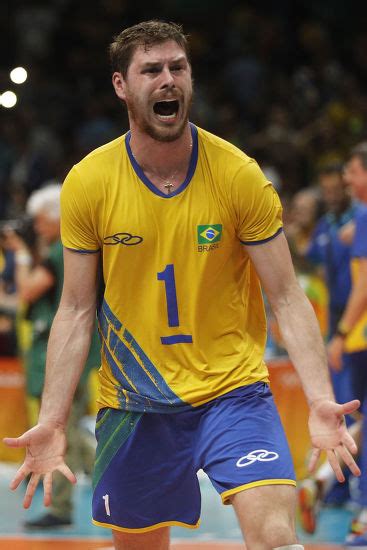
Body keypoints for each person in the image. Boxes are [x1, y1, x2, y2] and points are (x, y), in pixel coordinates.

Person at [3, 21, 361, 550]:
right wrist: (54, 420)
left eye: (178, 67)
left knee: (276, 537)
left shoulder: (238, 174)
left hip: (233, 392)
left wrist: (319, 399)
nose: (168, 80)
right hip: (134, 403)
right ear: (122, 85)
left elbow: (286, 295)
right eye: (152, 70)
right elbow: (76, 310)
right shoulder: (90, 181)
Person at [2, 184, 100, 528]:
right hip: (74, 352)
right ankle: (101, 475)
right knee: (69, 429)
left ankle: (59, 506)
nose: (36, 226)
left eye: (41, 220)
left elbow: (26, 291)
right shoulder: (68, 251)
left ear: (60, 218)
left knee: (60, 431)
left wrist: (22, 255)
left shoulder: (62, 254)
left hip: (61, 357)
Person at [297, 164, 359, 533]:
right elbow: (308, 261)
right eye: (329, 189)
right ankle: (329, 485)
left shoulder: (360, 220)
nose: (336, 191)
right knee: (348, 406)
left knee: (355, 408)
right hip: (340, 326)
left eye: (341, 185)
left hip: (352, 325)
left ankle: (322, 481)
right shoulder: (329, 226)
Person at [327, 143, 367, 547]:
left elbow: (364, 285)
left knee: (358, 419)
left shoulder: (365, 216)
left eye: (353, 172)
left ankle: (362, 514)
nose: (347, 180)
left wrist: (339, 334)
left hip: (360, 337)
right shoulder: (358, 219)